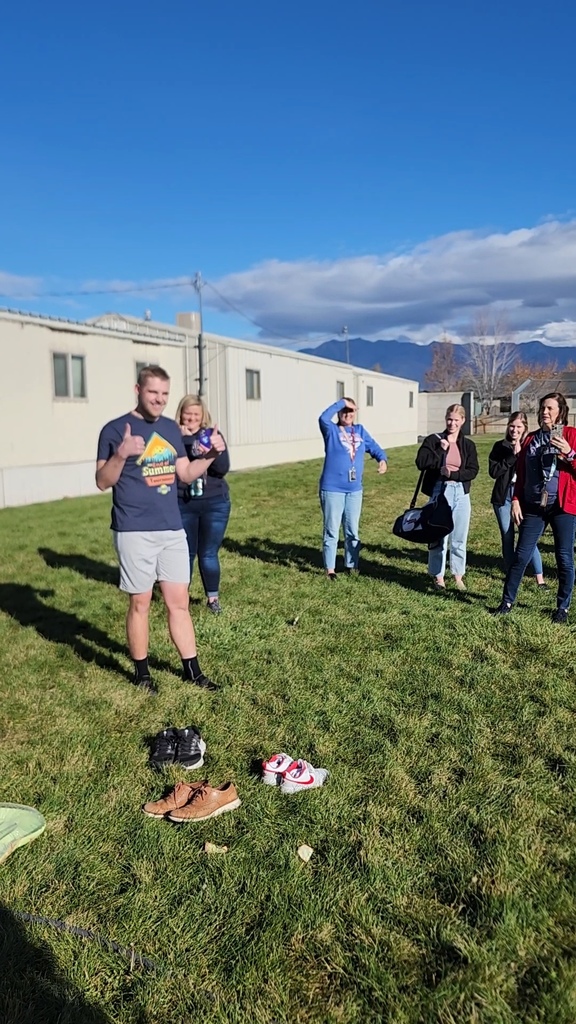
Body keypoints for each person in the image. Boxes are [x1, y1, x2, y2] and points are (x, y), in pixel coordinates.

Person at [96, 365, 225, 693]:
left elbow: (184, 473)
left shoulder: (170, 428)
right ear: (137, 390)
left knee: (178, 601)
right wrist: (123, 453)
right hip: (134, 529)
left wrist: (210, 454)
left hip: (171, 529)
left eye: (165, 394)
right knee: (140, 602)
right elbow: (102, 481)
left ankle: (193, 671)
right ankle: (142, 674)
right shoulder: (114, 430)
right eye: (153, 393)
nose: (160, 400)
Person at [494, 392, 576, 623]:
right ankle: (507, 602)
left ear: (561, 411)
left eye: (550, 408)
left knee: (564, 558)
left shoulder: (571, 435)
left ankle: (562, 608)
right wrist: (517, 499)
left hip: (562, 506)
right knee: (521, 555)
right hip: (533, 506)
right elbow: (521, 475)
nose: (545, 412)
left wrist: (569, 453)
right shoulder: (531, 439)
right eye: (542, 408)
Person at [318, 397, 387, 579]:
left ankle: (351, 565)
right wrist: (342, 402)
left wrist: (382, 460)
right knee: (332, 529)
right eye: (344, 411)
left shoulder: (360, 431)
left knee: (352, 530)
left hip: (354, 490)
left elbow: (375, 448)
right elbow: (323, 418)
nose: (348, 414)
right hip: (332, 488)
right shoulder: (331, 430)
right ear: (339, 412)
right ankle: (330, 569)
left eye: (351, 411)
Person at [176, 395, 231, 615]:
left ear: (203, 416)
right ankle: (182, 599)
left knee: (208, 553)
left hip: (215, 503)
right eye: (187, 413)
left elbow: (222, 468)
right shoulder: (171, 437)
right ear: (180, 413)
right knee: (185, 554)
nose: (191, 418)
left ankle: (212, 598)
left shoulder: (212, 436)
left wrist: (208, 448)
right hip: (183, 503)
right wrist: (185, 440)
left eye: (196, 415)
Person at [415, 404, 479, 591]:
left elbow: (473, 470)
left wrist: (454, 475)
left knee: (459, 537)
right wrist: (440, 451)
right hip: (440, 491)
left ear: (463, 421)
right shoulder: (434, 440)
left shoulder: (468, 445)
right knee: (438, 535)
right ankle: (438, 577)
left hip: (461, 492)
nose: (452, 423)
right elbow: (421, 463)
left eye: (456, 420)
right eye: (449, 419)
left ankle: (458, 575)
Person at [489, 412, 546, 588]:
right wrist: (512, 456)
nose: (514, 430)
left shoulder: (530, 446)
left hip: (523, 497)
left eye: (519, 427)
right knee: (507, 537)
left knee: (528, 536)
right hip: (503, 497)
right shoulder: (500, 447)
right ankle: (510, 574)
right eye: (512, 426)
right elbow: (494, 472)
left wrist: (521, 454)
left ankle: (540, 578)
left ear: (525, 428)